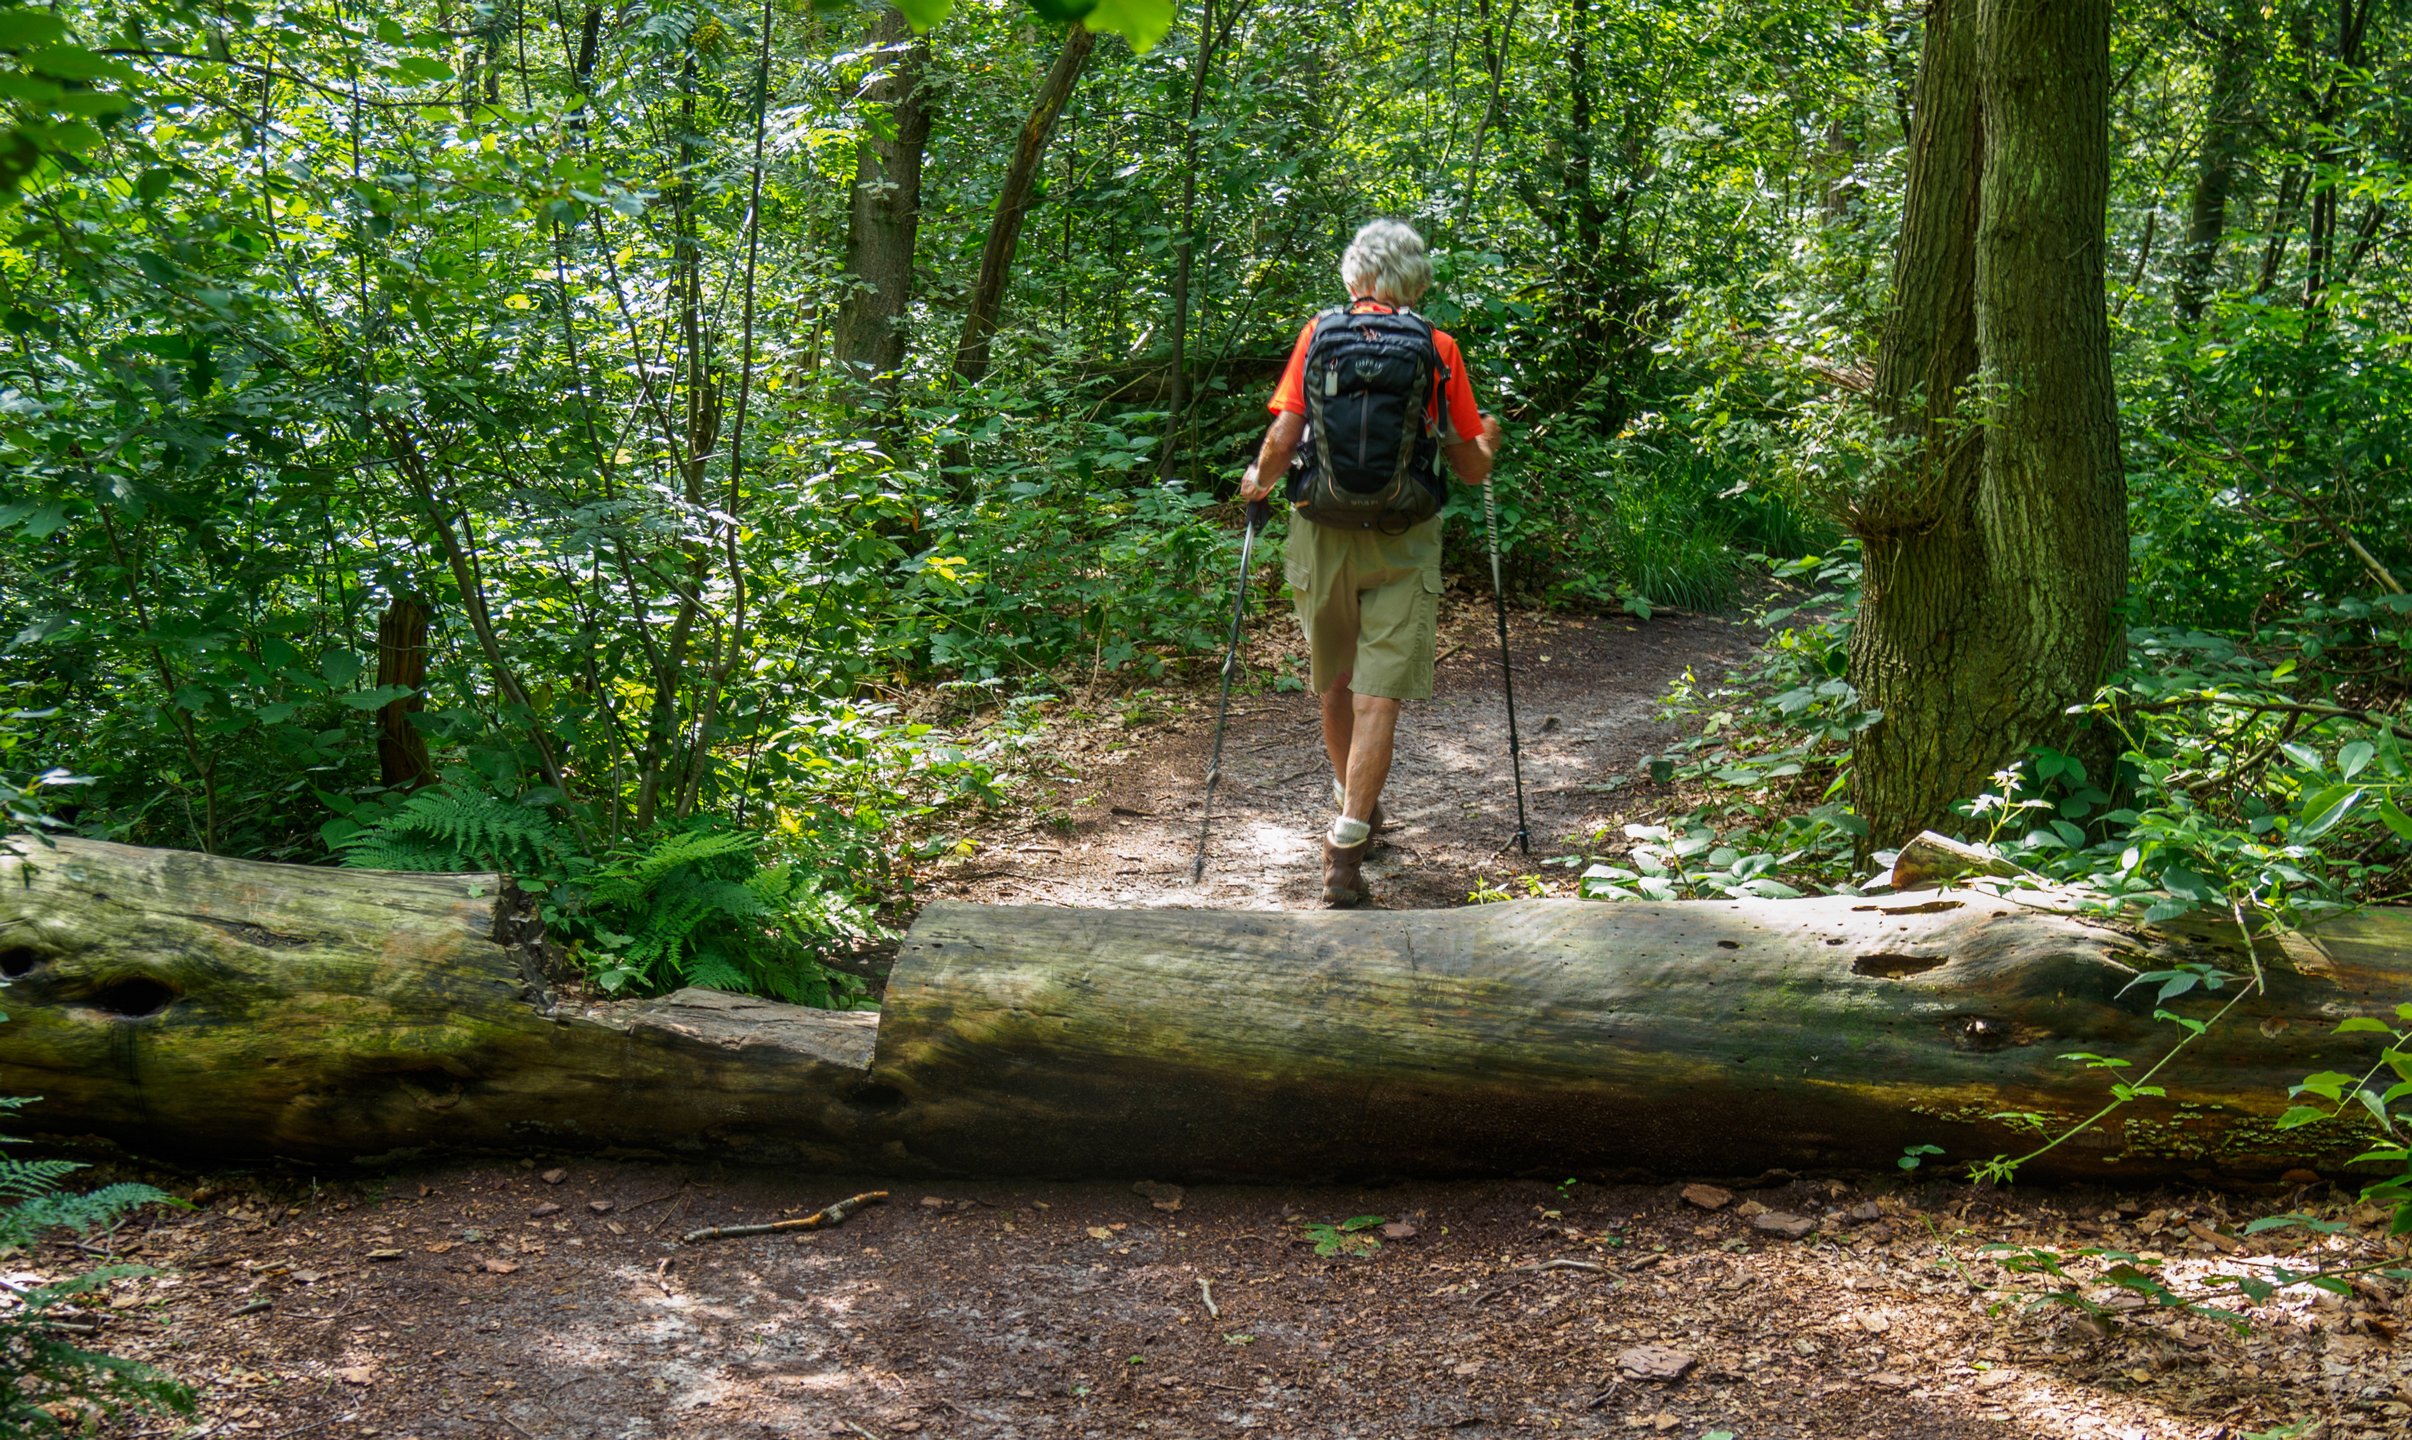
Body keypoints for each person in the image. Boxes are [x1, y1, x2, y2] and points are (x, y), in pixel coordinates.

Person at [1237, 219, 1504, 907]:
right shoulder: (1437, 347)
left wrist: (1259, 481)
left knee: (1336, 681)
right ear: (1416, 283)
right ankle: (1348, 840)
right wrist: (1489, 439)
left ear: (1355, 275)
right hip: (1403, 537)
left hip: (1320, 531)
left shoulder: (1319, 333)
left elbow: (1283, 435)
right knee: (1378, 692)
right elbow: (1470, 468)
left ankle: (1351, 796)